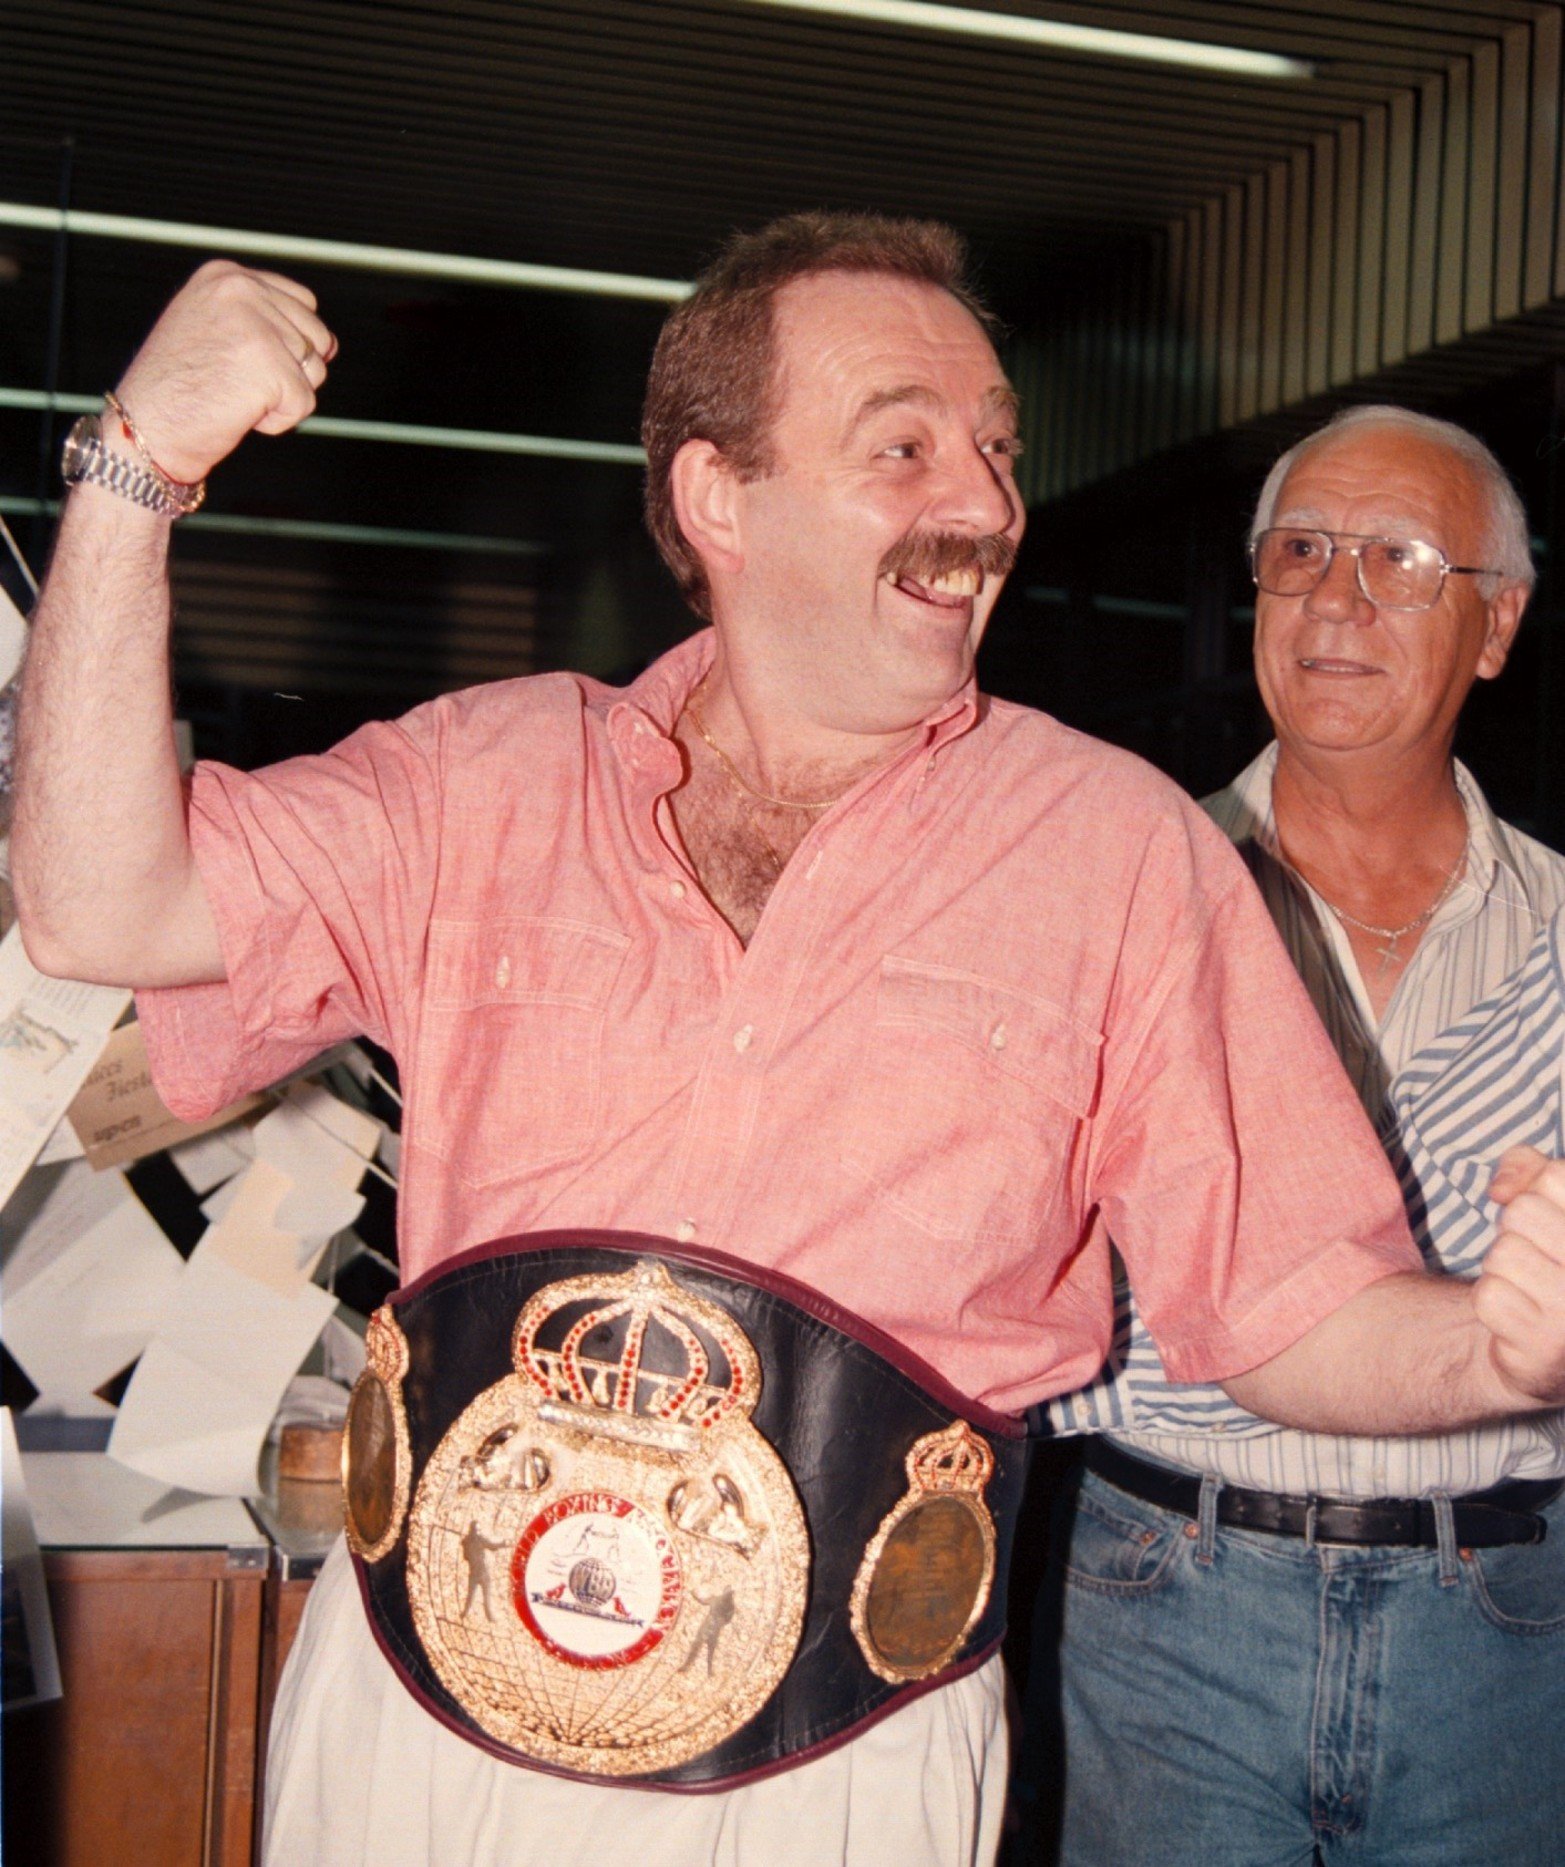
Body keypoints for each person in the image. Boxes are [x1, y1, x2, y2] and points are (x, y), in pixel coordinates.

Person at [13, 221, 1565, 1867]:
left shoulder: (1116, 853)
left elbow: (1284, 1311)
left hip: (846, 1767)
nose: (979, 504)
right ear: (718, 499)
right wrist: (131, 472)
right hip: (418, 1724)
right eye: (902, 445)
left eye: (991, 449)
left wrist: (1495, 1352)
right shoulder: (475, 780)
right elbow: (99, 908)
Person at [1035, 406, 1565, 1866]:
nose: (1335, 597)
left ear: (1496, 624)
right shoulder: (1111, 904)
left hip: (1510, 1635)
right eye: (1300, 552)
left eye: (1398, 558)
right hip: (1164, 1604)